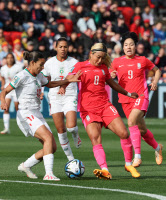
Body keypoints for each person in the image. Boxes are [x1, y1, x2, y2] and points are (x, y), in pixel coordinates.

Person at [59, 43, 141, 180]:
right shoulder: (80, 66)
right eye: (98, 57)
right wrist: (64, 86)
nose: (99, 61)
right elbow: (69, 78)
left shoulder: (103, 68)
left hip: (105, 106)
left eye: (102, 58)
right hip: (88, 110)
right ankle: (105, 170)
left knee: (124, 133)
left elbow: (112, 83)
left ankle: (128, 164)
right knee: (96, 139)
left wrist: (127, 93)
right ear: (91, 53)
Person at [0, 51, 81, 181]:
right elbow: (4, 91)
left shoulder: (38, 76)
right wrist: (3, 101)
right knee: (48, 138)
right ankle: (48, 174)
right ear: (32, 63)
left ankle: (26, 165)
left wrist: (67, 80)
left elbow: (49, 84)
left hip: (36, 113)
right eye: (41, 64)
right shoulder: (21, 76)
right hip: (26, 113)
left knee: (52, 147)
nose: (43, 67)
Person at [110, 32, 163, 167]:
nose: (128, 47)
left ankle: (137, 157)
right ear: (123, 47)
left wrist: (155, 82)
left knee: (131, 121)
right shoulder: (116, 62)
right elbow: (109, 77)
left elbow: (157, 71)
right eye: (126, 45)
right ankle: (158, 148)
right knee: (142, 131)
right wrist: (111, 75)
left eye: (131, 44)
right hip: (125, 99)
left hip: (141, 96)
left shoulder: (143, 60)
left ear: (135, 46)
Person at [41, 37, 82, 162]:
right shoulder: (49, 63)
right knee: (61, 130)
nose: (63, 49)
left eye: (65, 47)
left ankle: (75, 134)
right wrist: (41, 93)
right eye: (60, 47)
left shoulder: (74, 62)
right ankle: (71, 159)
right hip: (54, 97)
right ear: (56, 47)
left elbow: (75, 77)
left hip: (69, 95)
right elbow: (44, 79)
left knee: (70, 127)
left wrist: (64, 86)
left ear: (68, 48)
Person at [0, 53, 23, 134]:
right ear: (6, 59)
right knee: (6, 107)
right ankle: (6, 128)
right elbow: (2, 77)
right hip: (7, 89)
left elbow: (21, 77)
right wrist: (3, 85)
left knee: (18, 108)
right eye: (8, 58)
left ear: (13, 59)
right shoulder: (3, 68)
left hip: (16, 89)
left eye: (11, 58)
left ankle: (23, 127)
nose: (10, 59)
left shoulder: (18, 67)